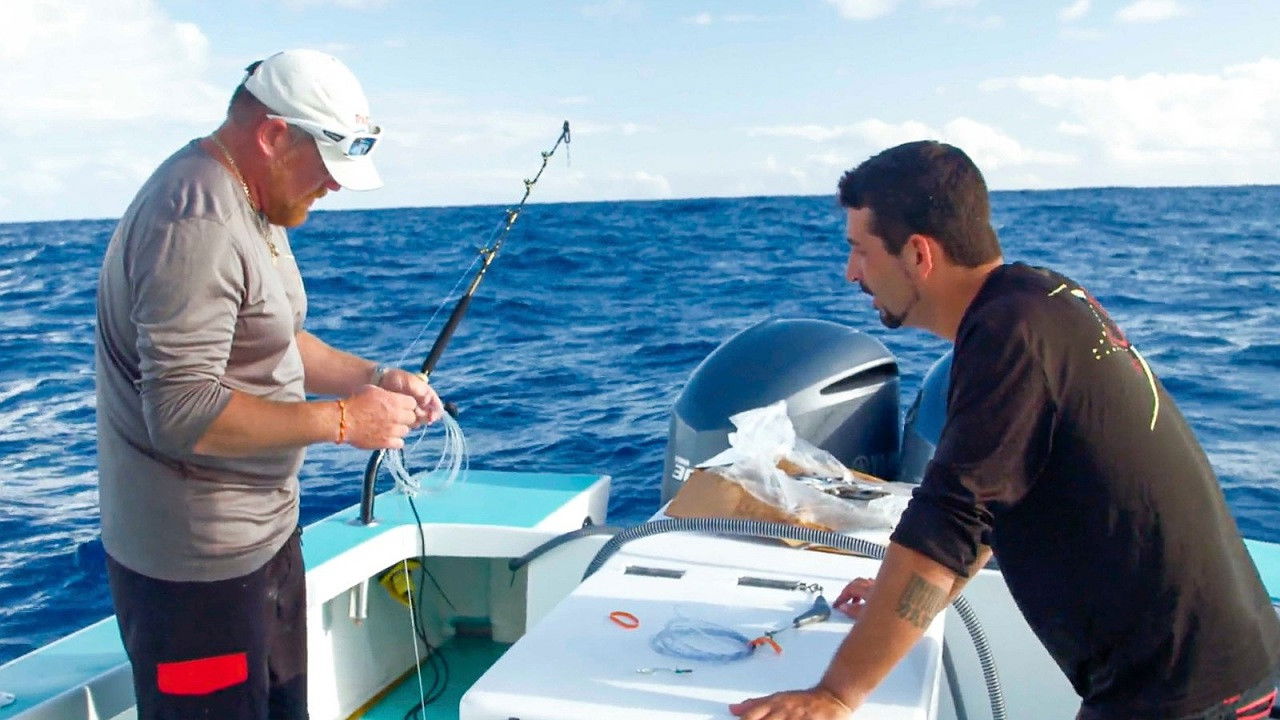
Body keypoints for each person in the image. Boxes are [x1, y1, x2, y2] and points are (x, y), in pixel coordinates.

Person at [730, 141, 1280, 719]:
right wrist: (909, 601)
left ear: (919, 254)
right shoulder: (1036, 301)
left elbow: (947, 522)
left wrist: (835, 695)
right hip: (1220, 665)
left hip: (1182, 693)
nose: (851, 273)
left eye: (860, 251)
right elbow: (991, 497)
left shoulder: (1009, 338)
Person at [95, 49, 444, 719]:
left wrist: (375, 378)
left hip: (265, 540)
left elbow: (273, 335)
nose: (336, 188)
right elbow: (180, 410)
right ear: (274, 135)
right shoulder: (196, 221)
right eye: (328, 166)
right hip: (197, 571)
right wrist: (342, 422)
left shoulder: (253, 199)